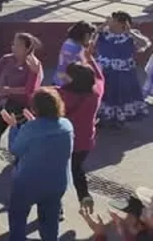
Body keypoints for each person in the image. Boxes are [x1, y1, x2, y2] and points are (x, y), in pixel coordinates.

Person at [2, 88, 74, 241]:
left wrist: (14, 128)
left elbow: (15, 149)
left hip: (28, 183)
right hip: (56, 182)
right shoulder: (67, 125)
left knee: (18, 218)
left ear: (35, 108)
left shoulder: (30, 129)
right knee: (50, 221)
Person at [0, 33, 43, 167]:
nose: (13, 47)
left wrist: (8, 90)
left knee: (19, 137)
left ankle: (20, 163)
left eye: (18, 45)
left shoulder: (34, 65)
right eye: (13, 43)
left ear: (27, 49)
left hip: (22, 108)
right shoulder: (7, 59)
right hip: (4, 104)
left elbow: (30, 89)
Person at [58, 56, 104, 214]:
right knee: (77, 169)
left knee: (59, 173)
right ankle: (84, 195)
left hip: (63, 141)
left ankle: (57, 207)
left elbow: (37, 98)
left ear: (72, 79)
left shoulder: (61, 95)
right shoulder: (96, 94)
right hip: (85, 141)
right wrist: (90, 59)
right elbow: (100, 78)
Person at [95, 11, 150, 127]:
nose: (110, 21)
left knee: (122, 95)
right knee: (105, 94)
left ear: (122, 23)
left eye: (113, 20)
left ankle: (119, 119)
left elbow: (144, 44)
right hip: (105, 71)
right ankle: (103, 117)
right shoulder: (104, 33)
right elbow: (89, 38)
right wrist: (101, 26)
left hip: (124, 73)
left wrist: (130, 32)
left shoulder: (131, 35)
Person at [53, 21, 97, 86]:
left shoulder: (67, 42)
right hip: (69, 84)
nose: (91, 40)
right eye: (91, 36)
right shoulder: (79, 50)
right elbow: (87, 67)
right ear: (86, 35)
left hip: (58, 79)